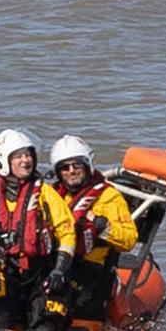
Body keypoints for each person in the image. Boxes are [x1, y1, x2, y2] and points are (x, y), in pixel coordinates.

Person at [0, 129, 77, 331]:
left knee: (46, 326)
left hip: (41, 273)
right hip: (1, 274)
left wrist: (59, 270)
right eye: (18, 156)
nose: (26, 161)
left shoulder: (45, 193)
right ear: (3, 161)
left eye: (28, 155)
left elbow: (67, 233)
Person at [49, 135, 139, 321]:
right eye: (65, 168)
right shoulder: (52, 196)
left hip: (90, 268)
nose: (71, 171)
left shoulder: (108, 197)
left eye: (77, 165)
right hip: (57, 261)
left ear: (88, 165)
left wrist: (101, 225)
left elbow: (129, 239)